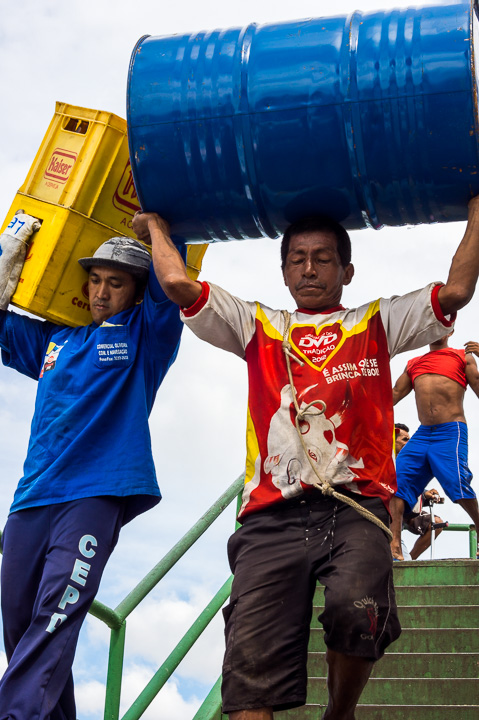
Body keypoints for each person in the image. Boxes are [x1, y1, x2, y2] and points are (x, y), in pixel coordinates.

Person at [133, 198, 479, 720]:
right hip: (271, 514)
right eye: (297, 259)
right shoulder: (258, 325)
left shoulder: (377, 321)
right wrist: (158, 227)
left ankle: (339, 713)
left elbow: (455, 292)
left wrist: (477, 212)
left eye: (322, 258)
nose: (309, 269)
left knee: (359, 610)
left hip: (355, 506)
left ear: (347, 271)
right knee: (248, 671)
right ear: (284, 271)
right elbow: (180, 286)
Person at [0, 231, 184, 720]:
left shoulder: (146, 336)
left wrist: (161, 229)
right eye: (96, 280)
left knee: (56, 613)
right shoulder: (55, 341)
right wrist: (8, 254)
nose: (101, 292)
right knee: (19, 624)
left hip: (95, 495)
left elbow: (171, 281)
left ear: (137, 292)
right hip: (32, 496)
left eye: (115, 283)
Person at [390, 332, 479, 561]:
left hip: (450, 431)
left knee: (457, 484)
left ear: (450, 331)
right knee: (397, 483)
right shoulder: (414, 363)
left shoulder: (463, 357)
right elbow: (393, 395)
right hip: (423, 434)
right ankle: (395, 545)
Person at [394, 423, 446, 560]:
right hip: (389, 514)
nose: (409, 444)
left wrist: (425, 494)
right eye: (405, 439)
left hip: (407, 511)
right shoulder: (386, 462)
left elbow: (410, 484)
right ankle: (403, 560)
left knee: (436, 523)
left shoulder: (410, 462)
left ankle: (410, 560)